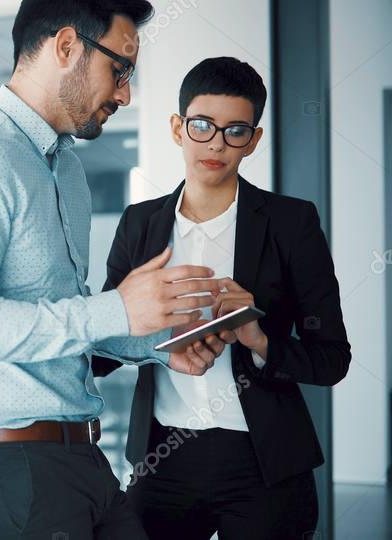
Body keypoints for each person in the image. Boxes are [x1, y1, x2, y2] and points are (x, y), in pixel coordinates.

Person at [0, 1, 238, 538]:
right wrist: (117, 307)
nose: (125, 94)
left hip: (78, 457)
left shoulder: (63, 165)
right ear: (66, 47)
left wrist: (157, 342)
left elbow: (65, 319)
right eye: (120, 70)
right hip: (10, 472)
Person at [92, 57, 351, 540]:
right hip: (162, 458)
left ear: (253, 140)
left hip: (266, 463)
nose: (216, 143)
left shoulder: (292, 223)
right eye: (202, 125)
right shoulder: (139, 224)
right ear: (178, 128)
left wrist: (258, 337)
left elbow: (332, 359)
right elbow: (104, 350)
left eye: (235, 131)